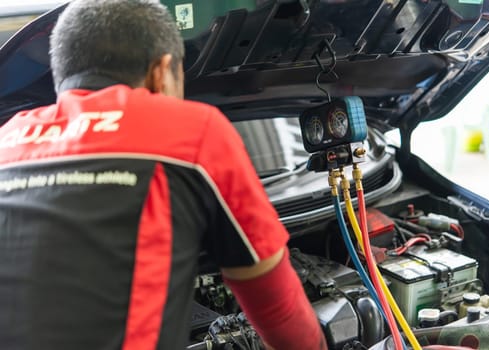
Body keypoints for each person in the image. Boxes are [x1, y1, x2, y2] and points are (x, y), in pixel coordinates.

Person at [0, 1, 327, 349]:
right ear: (162, 71)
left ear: (58, 77)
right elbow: (279, 312)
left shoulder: (8, 140)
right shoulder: (191, 132)